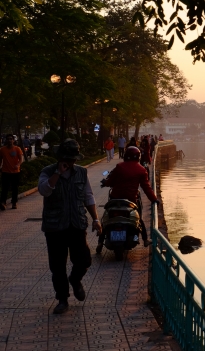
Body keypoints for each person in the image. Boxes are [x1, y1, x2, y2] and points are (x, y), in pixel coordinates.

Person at [38, 139, 102, 315]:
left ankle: (75, 280)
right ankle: (62, 299)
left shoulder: (81, 172)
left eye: (73, 159)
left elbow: (88, 196)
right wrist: (58, 173)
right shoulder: (47, 171)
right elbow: (44, 190)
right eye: (67, 158)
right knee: (57, 265)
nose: (71, 162)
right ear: (59, 158)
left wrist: (96, 219)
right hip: (54, 227)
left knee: (84, 259)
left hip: (76, 224)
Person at [97, 146, 157, 252]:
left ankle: (100, 242)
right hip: (131, 200)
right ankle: (145, 239)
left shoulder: (119, 166)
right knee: (138, 219)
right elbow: (146, 188)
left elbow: (110, 181)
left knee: (106, 219)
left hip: (115, 198)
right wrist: (154, 199)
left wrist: (104, 183)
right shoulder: (142, 170)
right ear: (138, 157)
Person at [0, 134, 23, 210]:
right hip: (5, 172)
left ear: (13, 140)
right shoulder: (2, 150)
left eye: (11, 139)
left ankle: (14, 202)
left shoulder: (17, 149)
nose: (9, 140)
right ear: (6, 140)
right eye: (8, 139)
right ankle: (3, 202)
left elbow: (21, 159)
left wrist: (18, 165)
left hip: (15, 172)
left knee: (15, 188)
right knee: (5, 188)